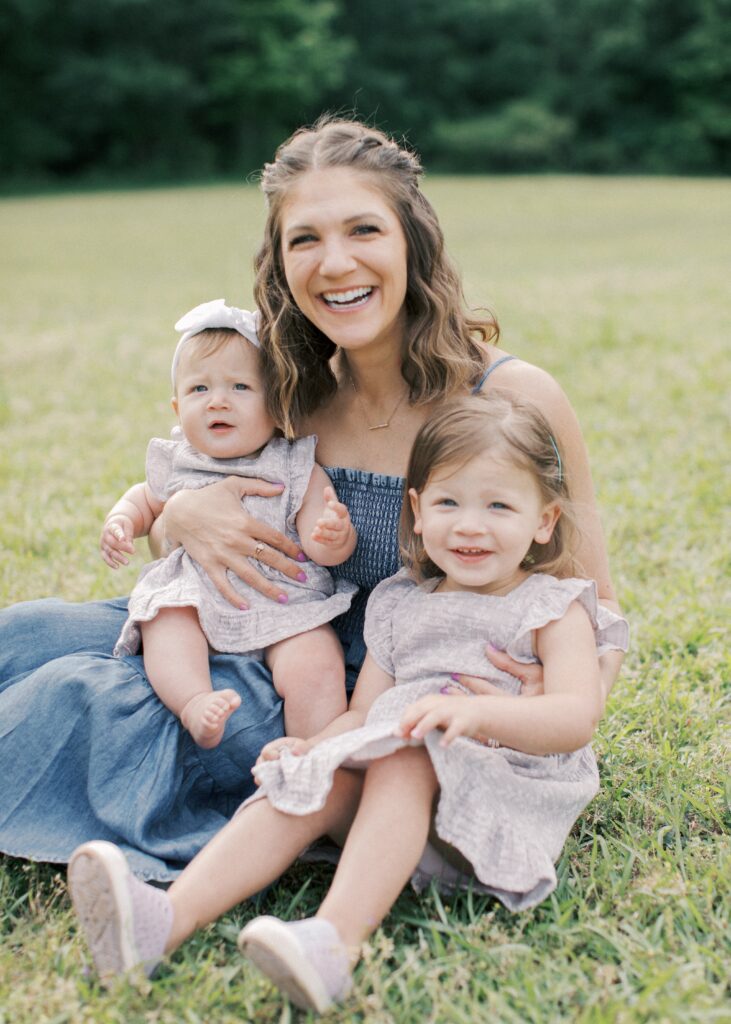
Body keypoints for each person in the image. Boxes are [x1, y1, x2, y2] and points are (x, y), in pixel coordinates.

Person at [0, 115, 624, 881]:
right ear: (280, 264)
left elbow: (596, 604)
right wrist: (181, 520)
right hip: (243, 624)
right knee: (25, 634)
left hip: (340, 692)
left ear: (412, 242)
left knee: (76, 695)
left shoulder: (510, 398)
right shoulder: (295, 395)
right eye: (305, 240)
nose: (334, 263)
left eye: (363, 230)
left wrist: (547, 707)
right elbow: (199, 513)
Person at [67, 392, 629, 1013]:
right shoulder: (400, 601)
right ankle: (163, 922)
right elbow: (365, 715)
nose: (470, 525)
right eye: (448, 503)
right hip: (399, 790)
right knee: (317, 774)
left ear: (544, 521)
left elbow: (576, 718)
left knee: (408, 752)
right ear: (417, 511)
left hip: (498, 798)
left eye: (499, 505)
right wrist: (312, 746)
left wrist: (477, 714)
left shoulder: (552, 608)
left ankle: (334, 944)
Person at [103, 298, 357, 748]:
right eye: (199, 389)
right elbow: (145, 500)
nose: (217, 401)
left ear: (276, 407)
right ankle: (194, 701)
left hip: (285, 605)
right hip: (196, 598)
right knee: (165, 621)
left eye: (240, 387)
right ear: (177, 407)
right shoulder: (179, 460)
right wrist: (122, 520)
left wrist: (333, 535)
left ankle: (313, 753)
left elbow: (321, 543)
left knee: (317, 661)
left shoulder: (294, 465)